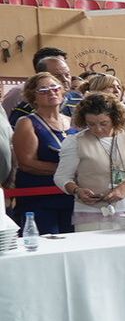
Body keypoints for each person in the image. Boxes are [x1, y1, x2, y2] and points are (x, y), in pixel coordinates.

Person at [55, 92, 125, 231]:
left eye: (104, 123)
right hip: (90, 214)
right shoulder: (74, 142)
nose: (98, 129)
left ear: (115, 118)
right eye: (91, 124)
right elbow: (62, 177)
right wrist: (76, 191)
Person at [9, 73, 77, 233]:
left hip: (71, 196)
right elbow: (27, 163)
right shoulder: (27, 122)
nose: (51, 92)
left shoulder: (72, 121)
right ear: (33, 96)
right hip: (40, 199)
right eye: (43, 90)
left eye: (55, 88)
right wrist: (67, 170)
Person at [4, 47, 76, 123]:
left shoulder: (79, 100)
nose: (65, 79)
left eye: (67, 75)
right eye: (57, 76)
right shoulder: (25, 109)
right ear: (42, 76)